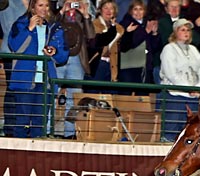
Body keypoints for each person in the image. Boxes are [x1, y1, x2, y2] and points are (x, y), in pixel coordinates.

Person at [8, 0, 69, 138]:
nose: (44, 9)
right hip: (25, 80)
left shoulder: (54, 27)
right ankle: (18, 153)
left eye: (47, 6)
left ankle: (36, 156)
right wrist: (29, 29)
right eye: (40, 5)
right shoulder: (21, 24)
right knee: (22, 120)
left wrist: (54, 51)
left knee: (40, 122)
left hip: (46, 81)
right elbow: (15, 47)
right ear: (33, 7)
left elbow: (63, 56)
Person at [159, 18, 200, 140]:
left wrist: (199, 87)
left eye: (188, 30)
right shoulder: (169, 49)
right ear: (175, 32)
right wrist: (187, 88)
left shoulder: (194, 50)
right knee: (171, 129)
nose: (186, 32)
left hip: (193, 96)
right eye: (182, 30)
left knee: (191, 130)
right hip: (175, 95)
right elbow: (171, 73)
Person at [55, 0, 95, 138]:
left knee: (74, 97)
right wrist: (61, 12)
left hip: (78, 58)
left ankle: (70, 133)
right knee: (52, 94)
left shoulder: (82, 13)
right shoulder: (56, 10)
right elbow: (50, 27)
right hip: (58, 56)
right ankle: (48, 130)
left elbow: (91, 36)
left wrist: (86, 15)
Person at [119, 0, 162, 89]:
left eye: (141, 9)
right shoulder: (125, 24)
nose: (138, 12)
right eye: (135, 9)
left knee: (143, 96)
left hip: (145, 66)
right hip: (129, 66)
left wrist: (154, 34)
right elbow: (129, 45)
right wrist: (145, 32)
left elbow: (154, 48)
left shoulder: (147, 23)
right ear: (131, 11)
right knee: (127, 94)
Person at [0, 0, 27, 137]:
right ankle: (10, 128)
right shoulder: (8, 2)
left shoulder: (37, 3)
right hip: (11, 51)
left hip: (31, 53)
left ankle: (23, 127)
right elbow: (11, 28)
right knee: (12, 90)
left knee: (27, 91)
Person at [88, 0, 124, 85]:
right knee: (94, 92)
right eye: (106, 8)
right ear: (100, 10)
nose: (108, 11)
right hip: (97, 64)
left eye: (111, 8)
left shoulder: (120, 28)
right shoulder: (94, 25)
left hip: (112, 65)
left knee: (111, 94)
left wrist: (129, 34)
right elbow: (99, 43)